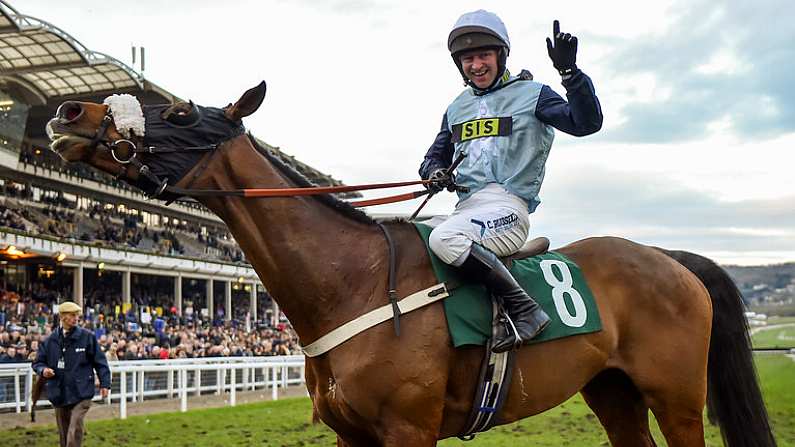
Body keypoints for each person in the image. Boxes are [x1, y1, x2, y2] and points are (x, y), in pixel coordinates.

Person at [419, 10, 603, 353]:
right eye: (468, 59)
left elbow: (586, 123)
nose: (476, 65)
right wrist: (433, 173)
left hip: (508, 210)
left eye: (483, 55)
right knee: (412, 237)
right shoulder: (456, 108)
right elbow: (434, 157)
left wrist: (570, 73)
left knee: (444, 239)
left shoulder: (533, 94)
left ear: (500, 56)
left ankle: (526, 310)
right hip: (467, 211)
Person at [32, 301, 110, 447]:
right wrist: (43, 370)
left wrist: (105, 384)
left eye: (77, 315)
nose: (76, 318)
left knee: (74, 428)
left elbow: (100, 362)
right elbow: (37, 363)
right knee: (64, 433)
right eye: (72, 315)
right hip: (59, 392)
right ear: (62, 317)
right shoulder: (50, 341)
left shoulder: (87, 337)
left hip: (82, 392)